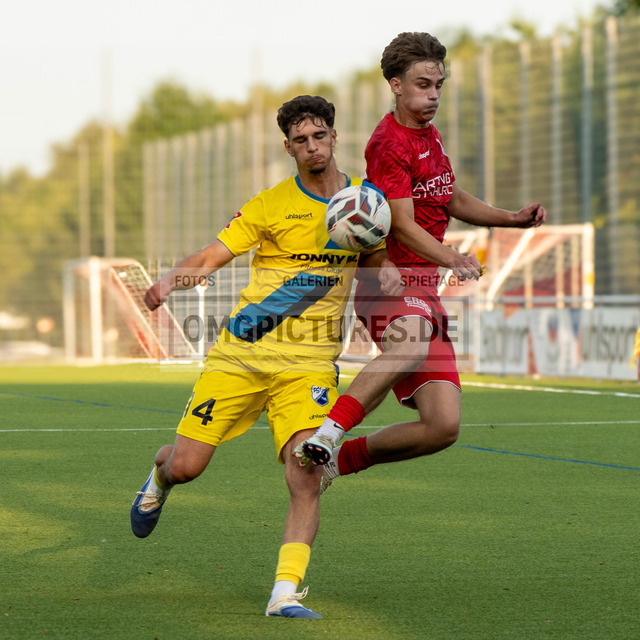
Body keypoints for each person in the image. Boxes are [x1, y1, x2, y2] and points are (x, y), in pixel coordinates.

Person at [129, 95, 402, 619]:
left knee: (307, 472)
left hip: (309, 364)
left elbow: (374, 255)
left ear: (334, 137)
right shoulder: (270, 204)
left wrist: (385, 269)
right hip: (243, 353)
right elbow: (212, 255)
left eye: (319, 136)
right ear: (288, 147)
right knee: (187, 466)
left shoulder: (365, 202)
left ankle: (284, 593)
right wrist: (170, 281)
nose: (312, 147)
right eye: (300, 141)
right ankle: (160, 477)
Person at [296, 32, 547, 488]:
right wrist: (453, 257)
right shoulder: (389, 142)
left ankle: (335, 462)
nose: (433, 95)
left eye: (438, 85)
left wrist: (510, 219)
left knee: (442, 426)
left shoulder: (429, 134)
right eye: (422, 85)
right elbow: (402, 222)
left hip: (424, 287)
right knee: (410, 345)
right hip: (389, 281)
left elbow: (448, 196)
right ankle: (329, 432)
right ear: (396, 85)